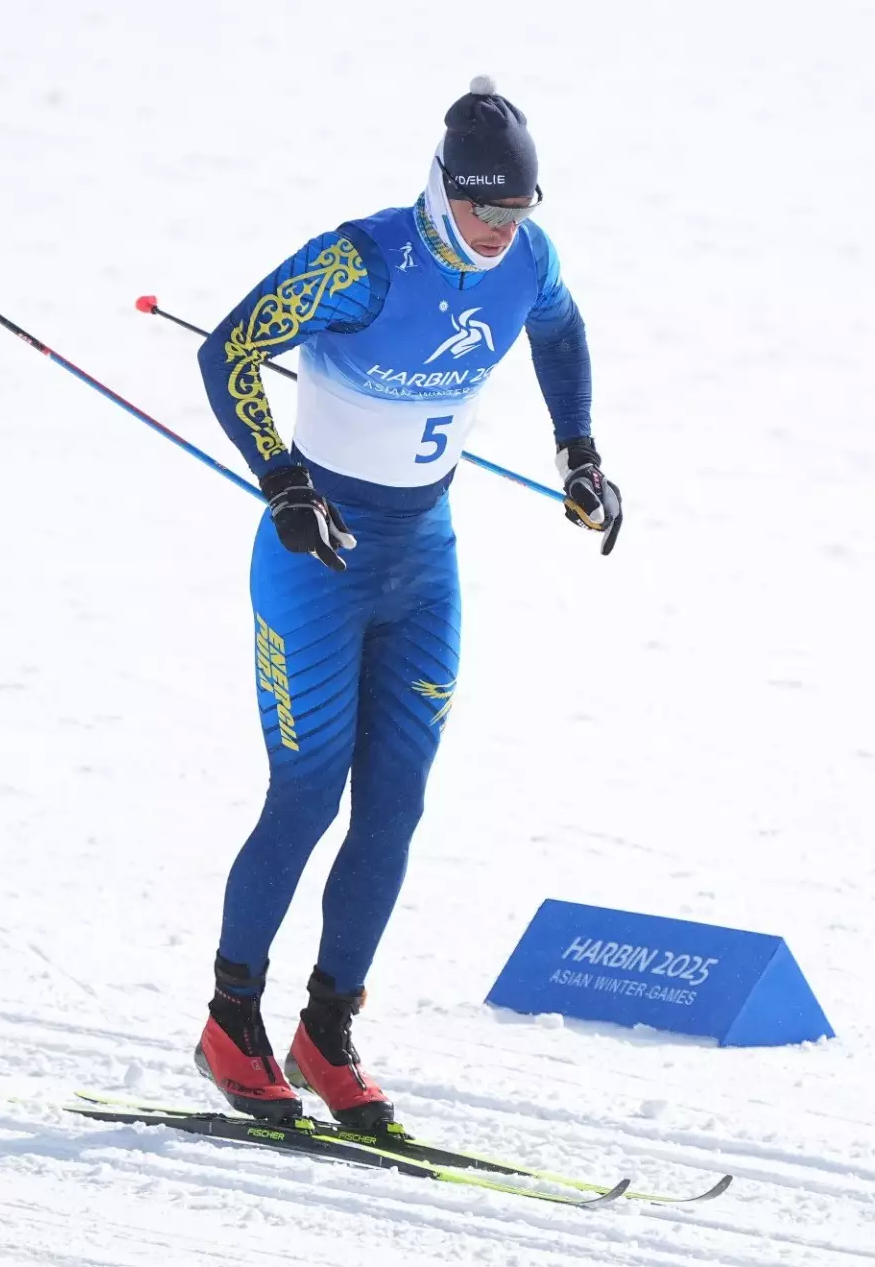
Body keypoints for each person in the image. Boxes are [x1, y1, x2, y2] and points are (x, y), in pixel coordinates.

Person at [192, 76, 622, 1129]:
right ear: (442, 191)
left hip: (423, 559)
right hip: (318, 557)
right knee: (306, 792)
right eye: (482, 209)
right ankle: (229, 1023)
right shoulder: (364, 259)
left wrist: (579, 451)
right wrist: (284, 484)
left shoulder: (529, 258)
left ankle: (326, 1031)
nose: (496, 232)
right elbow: (230, 349)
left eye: (515, 213)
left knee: (396, 802)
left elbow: (558, 331)